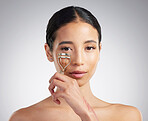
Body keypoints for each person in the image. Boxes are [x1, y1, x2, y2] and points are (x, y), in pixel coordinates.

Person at [9, 6, 142, 121]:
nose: (78, 61)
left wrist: (86, 113)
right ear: (49, 52)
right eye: (66, 48)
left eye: (89, 48)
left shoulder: (127, 116)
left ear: (99, 50)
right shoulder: (24, 118)